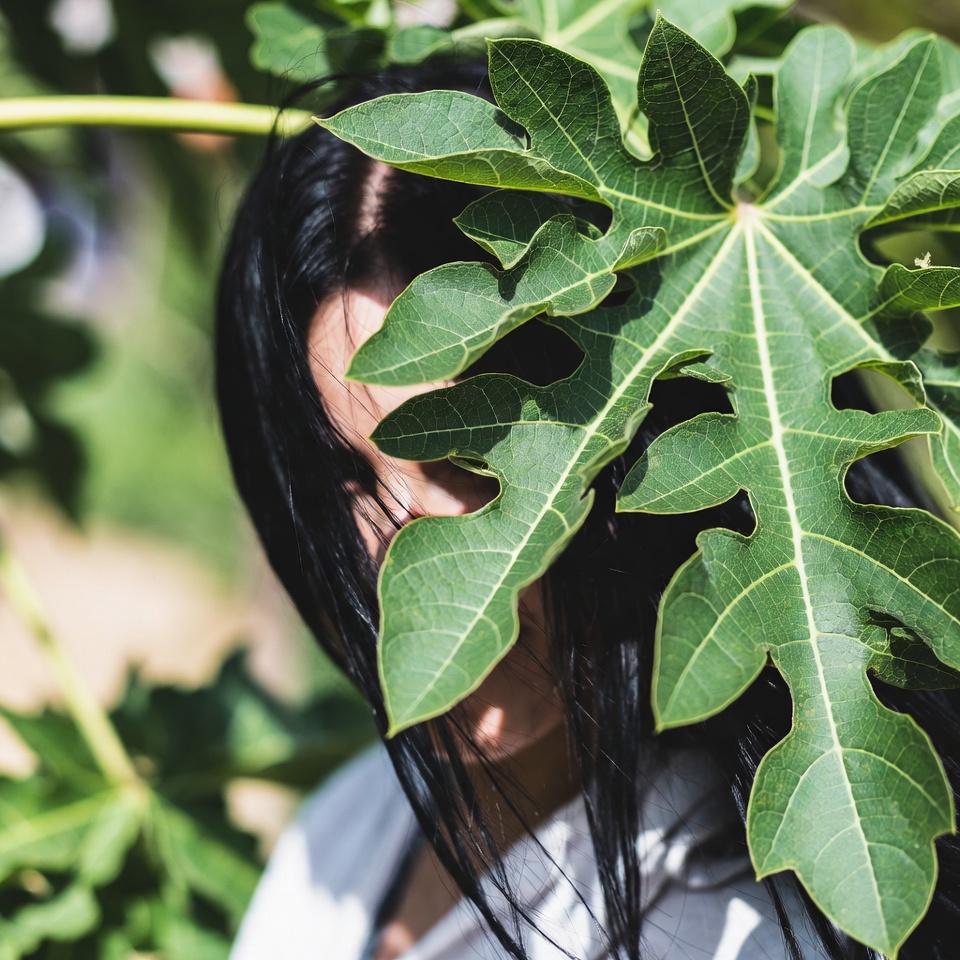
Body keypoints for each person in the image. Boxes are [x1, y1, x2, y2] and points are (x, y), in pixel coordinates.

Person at [215, 59, 960, 960]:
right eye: (343, 480)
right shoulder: (340, 830)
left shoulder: (739, 935)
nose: (398, 566)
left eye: (468, 458)